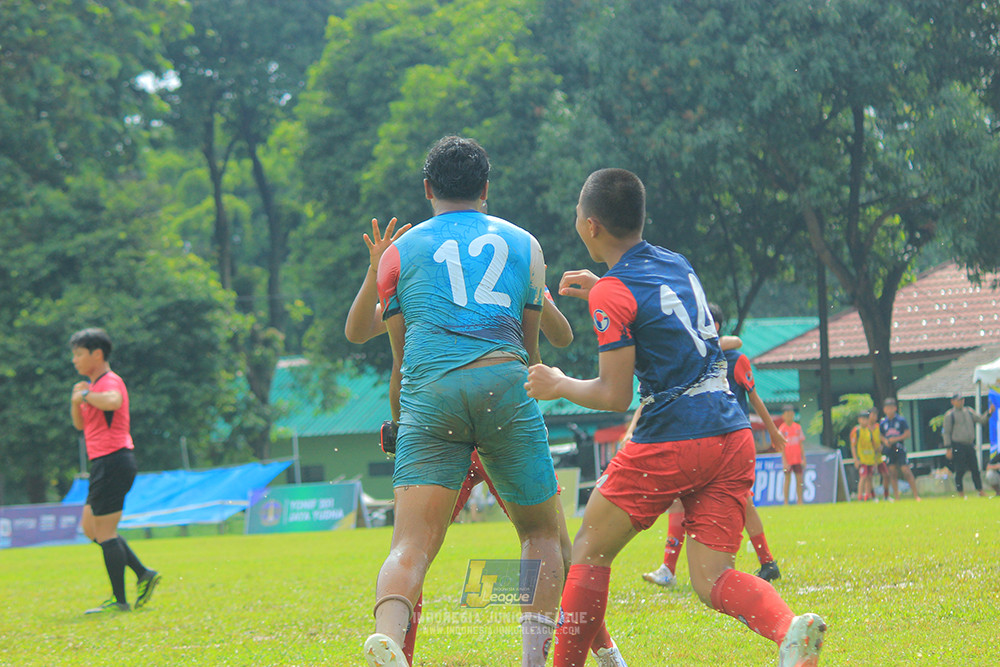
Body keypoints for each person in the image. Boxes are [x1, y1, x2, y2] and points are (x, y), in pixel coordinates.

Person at [524, 168, 825, 667]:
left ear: (591, 226)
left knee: (589, 551)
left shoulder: (611, 293)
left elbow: (614, 394)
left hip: (673, 436)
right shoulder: (675, 263)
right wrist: (606, 287)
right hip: (730, 431)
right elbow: (661, 315)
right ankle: (787, 630)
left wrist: (558, 384)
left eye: (579, 213)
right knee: (711, 579)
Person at [346, 215, 625, 666]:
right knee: (546, 539)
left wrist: (539, 292)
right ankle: (555, 654)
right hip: (498, 415)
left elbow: (562, 333)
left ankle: (606, 651)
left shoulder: (418, 266)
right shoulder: (505, 255)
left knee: (413, 547)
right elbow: (359, 329)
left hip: (441, 420)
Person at [362, 136, 565, 667]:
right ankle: (533, 661)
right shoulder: (526, 244)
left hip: (430, 395)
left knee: (409, 545)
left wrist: (401, 424)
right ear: (486, 189)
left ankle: (388, 640)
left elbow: (402, 359)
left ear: (427, 189)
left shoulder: (397, 254)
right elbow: (532, 348)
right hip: (503, 384)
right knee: (542, 532)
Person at [642, 302, 786, 589]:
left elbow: (754, 397)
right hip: (703, 440)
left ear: (713, 325)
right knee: (681, 499)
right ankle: (670, 569)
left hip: (733, 441)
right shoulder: (694, 359)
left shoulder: (734, 359)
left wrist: (773, 431)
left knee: (741, 502)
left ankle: (766, 562)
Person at [69, 328, 160, 614]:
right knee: (91, 528)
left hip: (114, 460)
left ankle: (119, 602)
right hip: (103, 463)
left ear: (97, 354)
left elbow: (113, 401)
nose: (75, 360)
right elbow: (80, 425)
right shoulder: (89, 388)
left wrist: (84, 394)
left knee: (105, 531)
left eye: (79, 354)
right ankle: (143, 573)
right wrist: (77, 400)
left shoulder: (110, 382)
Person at [942, 393, 995, 497]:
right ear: (953, 402)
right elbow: (946, 433)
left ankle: (980, 490)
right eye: (958, 400)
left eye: (962, 400)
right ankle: (960, 492)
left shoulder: (969, 411)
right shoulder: (950, 415)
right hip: (957, 445)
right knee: (960, 469)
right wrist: (948, 448)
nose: (961, 402)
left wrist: (989, 413)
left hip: (969, 444)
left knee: (975, 468)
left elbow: (981, 420)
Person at [849, 410, 880, 501]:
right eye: (862, 419)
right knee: (863, 477)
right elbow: (853, 446)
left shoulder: (869, 431)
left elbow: (873, 446)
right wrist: (855, 459)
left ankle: (868, 496)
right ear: (859, 420)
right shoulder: (856, 431)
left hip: (870, 459)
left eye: (866, 419)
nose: (864, 421)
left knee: (869, 477)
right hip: (862, 459)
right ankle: (860, 496)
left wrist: (875, 460)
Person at [778, 404, 806, 505]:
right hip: (788, 459)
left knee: (799, 480)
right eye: (787, 414)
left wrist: (803, 458)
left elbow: (801, 444)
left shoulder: (797, 427)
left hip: (797, 459)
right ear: (783, 416)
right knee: (787, 480)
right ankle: (786, 502)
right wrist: (784, 461)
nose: (790, 416)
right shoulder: (782, 429)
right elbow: (781, 447)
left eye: (791, 414)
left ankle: (800, 501)